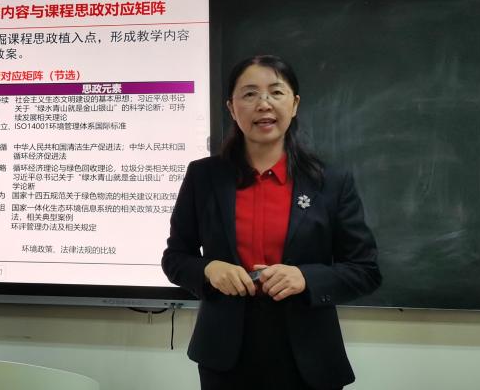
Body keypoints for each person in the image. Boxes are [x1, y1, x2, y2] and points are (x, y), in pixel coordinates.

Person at [162, 55, 382, 390]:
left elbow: (365, 270)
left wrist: (306, 277)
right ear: (231, 107)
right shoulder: (204, 177)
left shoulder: (330, 181)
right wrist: (209, 270)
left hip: (309, 357)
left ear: (294, 104)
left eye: (276, 92)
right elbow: (175, 258)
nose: (263, 104)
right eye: (249, 94)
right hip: (225, 356)